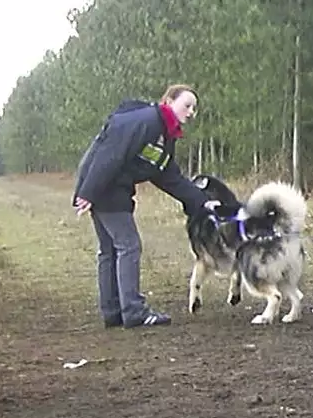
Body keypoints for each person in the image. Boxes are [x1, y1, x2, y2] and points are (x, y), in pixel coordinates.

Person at [73, 84, 212, 328]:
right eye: (187, 105)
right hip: (106, 188)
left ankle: (113, 312)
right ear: (169, 100)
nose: (191, 112)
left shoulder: (163, 134)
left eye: (194, 108)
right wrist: (89, 192)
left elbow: (168, 176)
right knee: (128, 246)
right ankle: (134, 311)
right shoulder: (146, 121)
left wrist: (201, 201)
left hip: (104, 187)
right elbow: (111, 152)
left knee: (110, 249)